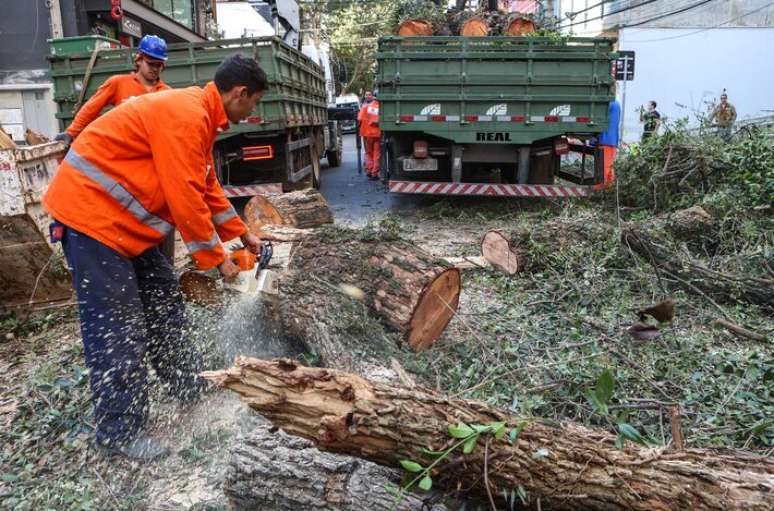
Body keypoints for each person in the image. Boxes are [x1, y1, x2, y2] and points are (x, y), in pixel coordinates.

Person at [43, 55, 268, 461]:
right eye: (254, 104)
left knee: (165, 303)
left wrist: (242, 234)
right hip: (89, 221)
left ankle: (187, 386)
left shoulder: (198, 115)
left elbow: (205, 186)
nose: (253, 112)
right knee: (120, 328)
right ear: (240, 93)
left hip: (123, 227)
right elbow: (184, 197)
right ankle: (118, 431)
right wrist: (218, 261)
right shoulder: (186, 115)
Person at [54, 35, 171, 147]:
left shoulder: (168, 93)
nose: (155, 69)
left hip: (154, 151)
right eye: (151, 64)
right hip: (125, 151)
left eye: (159, 65)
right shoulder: (118, 83)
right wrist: (71, 132)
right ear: (139, 60)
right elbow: (91, 108)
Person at [597, 98, 621, 188]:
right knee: (608, 165)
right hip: (610, 140)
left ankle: (603, 188)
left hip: (606, 139)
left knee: (605, 165)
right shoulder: (615, 104)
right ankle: (608, 186)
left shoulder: (610, 104)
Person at [358, 90, 381, 180]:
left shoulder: (364, 107)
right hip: (377, 134)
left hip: (367, 134)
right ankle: (375, 173)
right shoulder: (378, 106)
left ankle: (370, 170)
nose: (367, 96)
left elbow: (359, 119)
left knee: (369, 153)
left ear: (372, 96)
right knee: (377, 153)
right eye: (366, 95)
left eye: (369, 95)